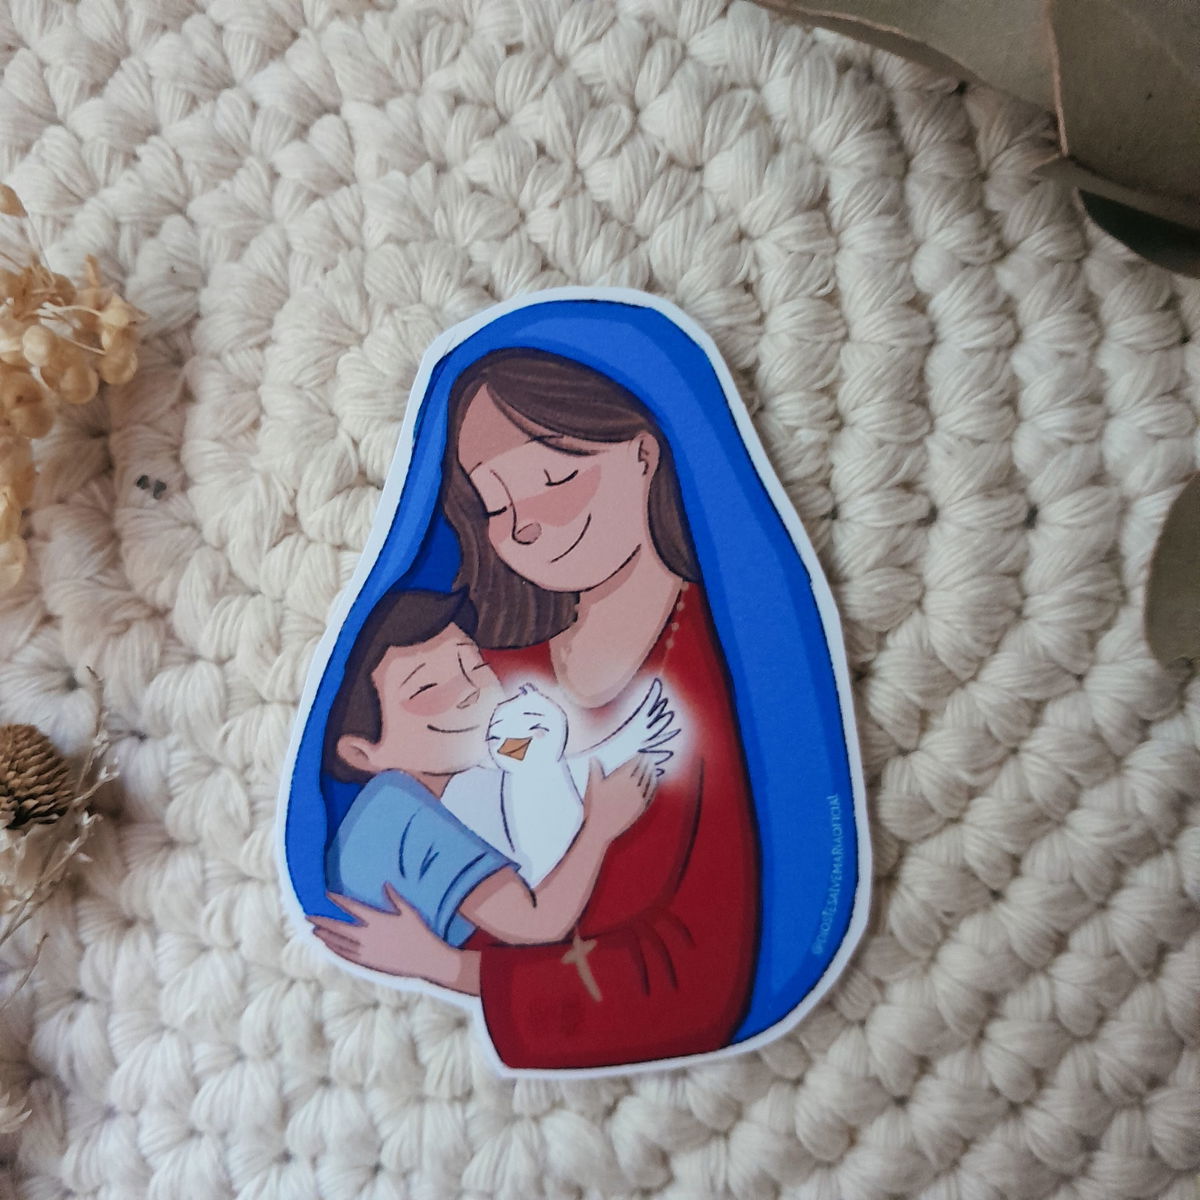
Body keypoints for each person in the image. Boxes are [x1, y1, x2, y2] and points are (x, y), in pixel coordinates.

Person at [284, 293, 861, 1073]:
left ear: (645, 454)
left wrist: (456, 972)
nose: (523, 526)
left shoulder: (717, 682)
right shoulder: (485, 673)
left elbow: (699, 972)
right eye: (494, 505)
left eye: (555, 478)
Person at [309, 588, 662, 961]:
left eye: (475, 666)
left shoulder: (434, 798)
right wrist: (599, 827)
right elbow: (537, 922)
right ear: (361, 752)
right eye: (428, 688)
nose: (470, 691)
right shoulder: (399, 814)